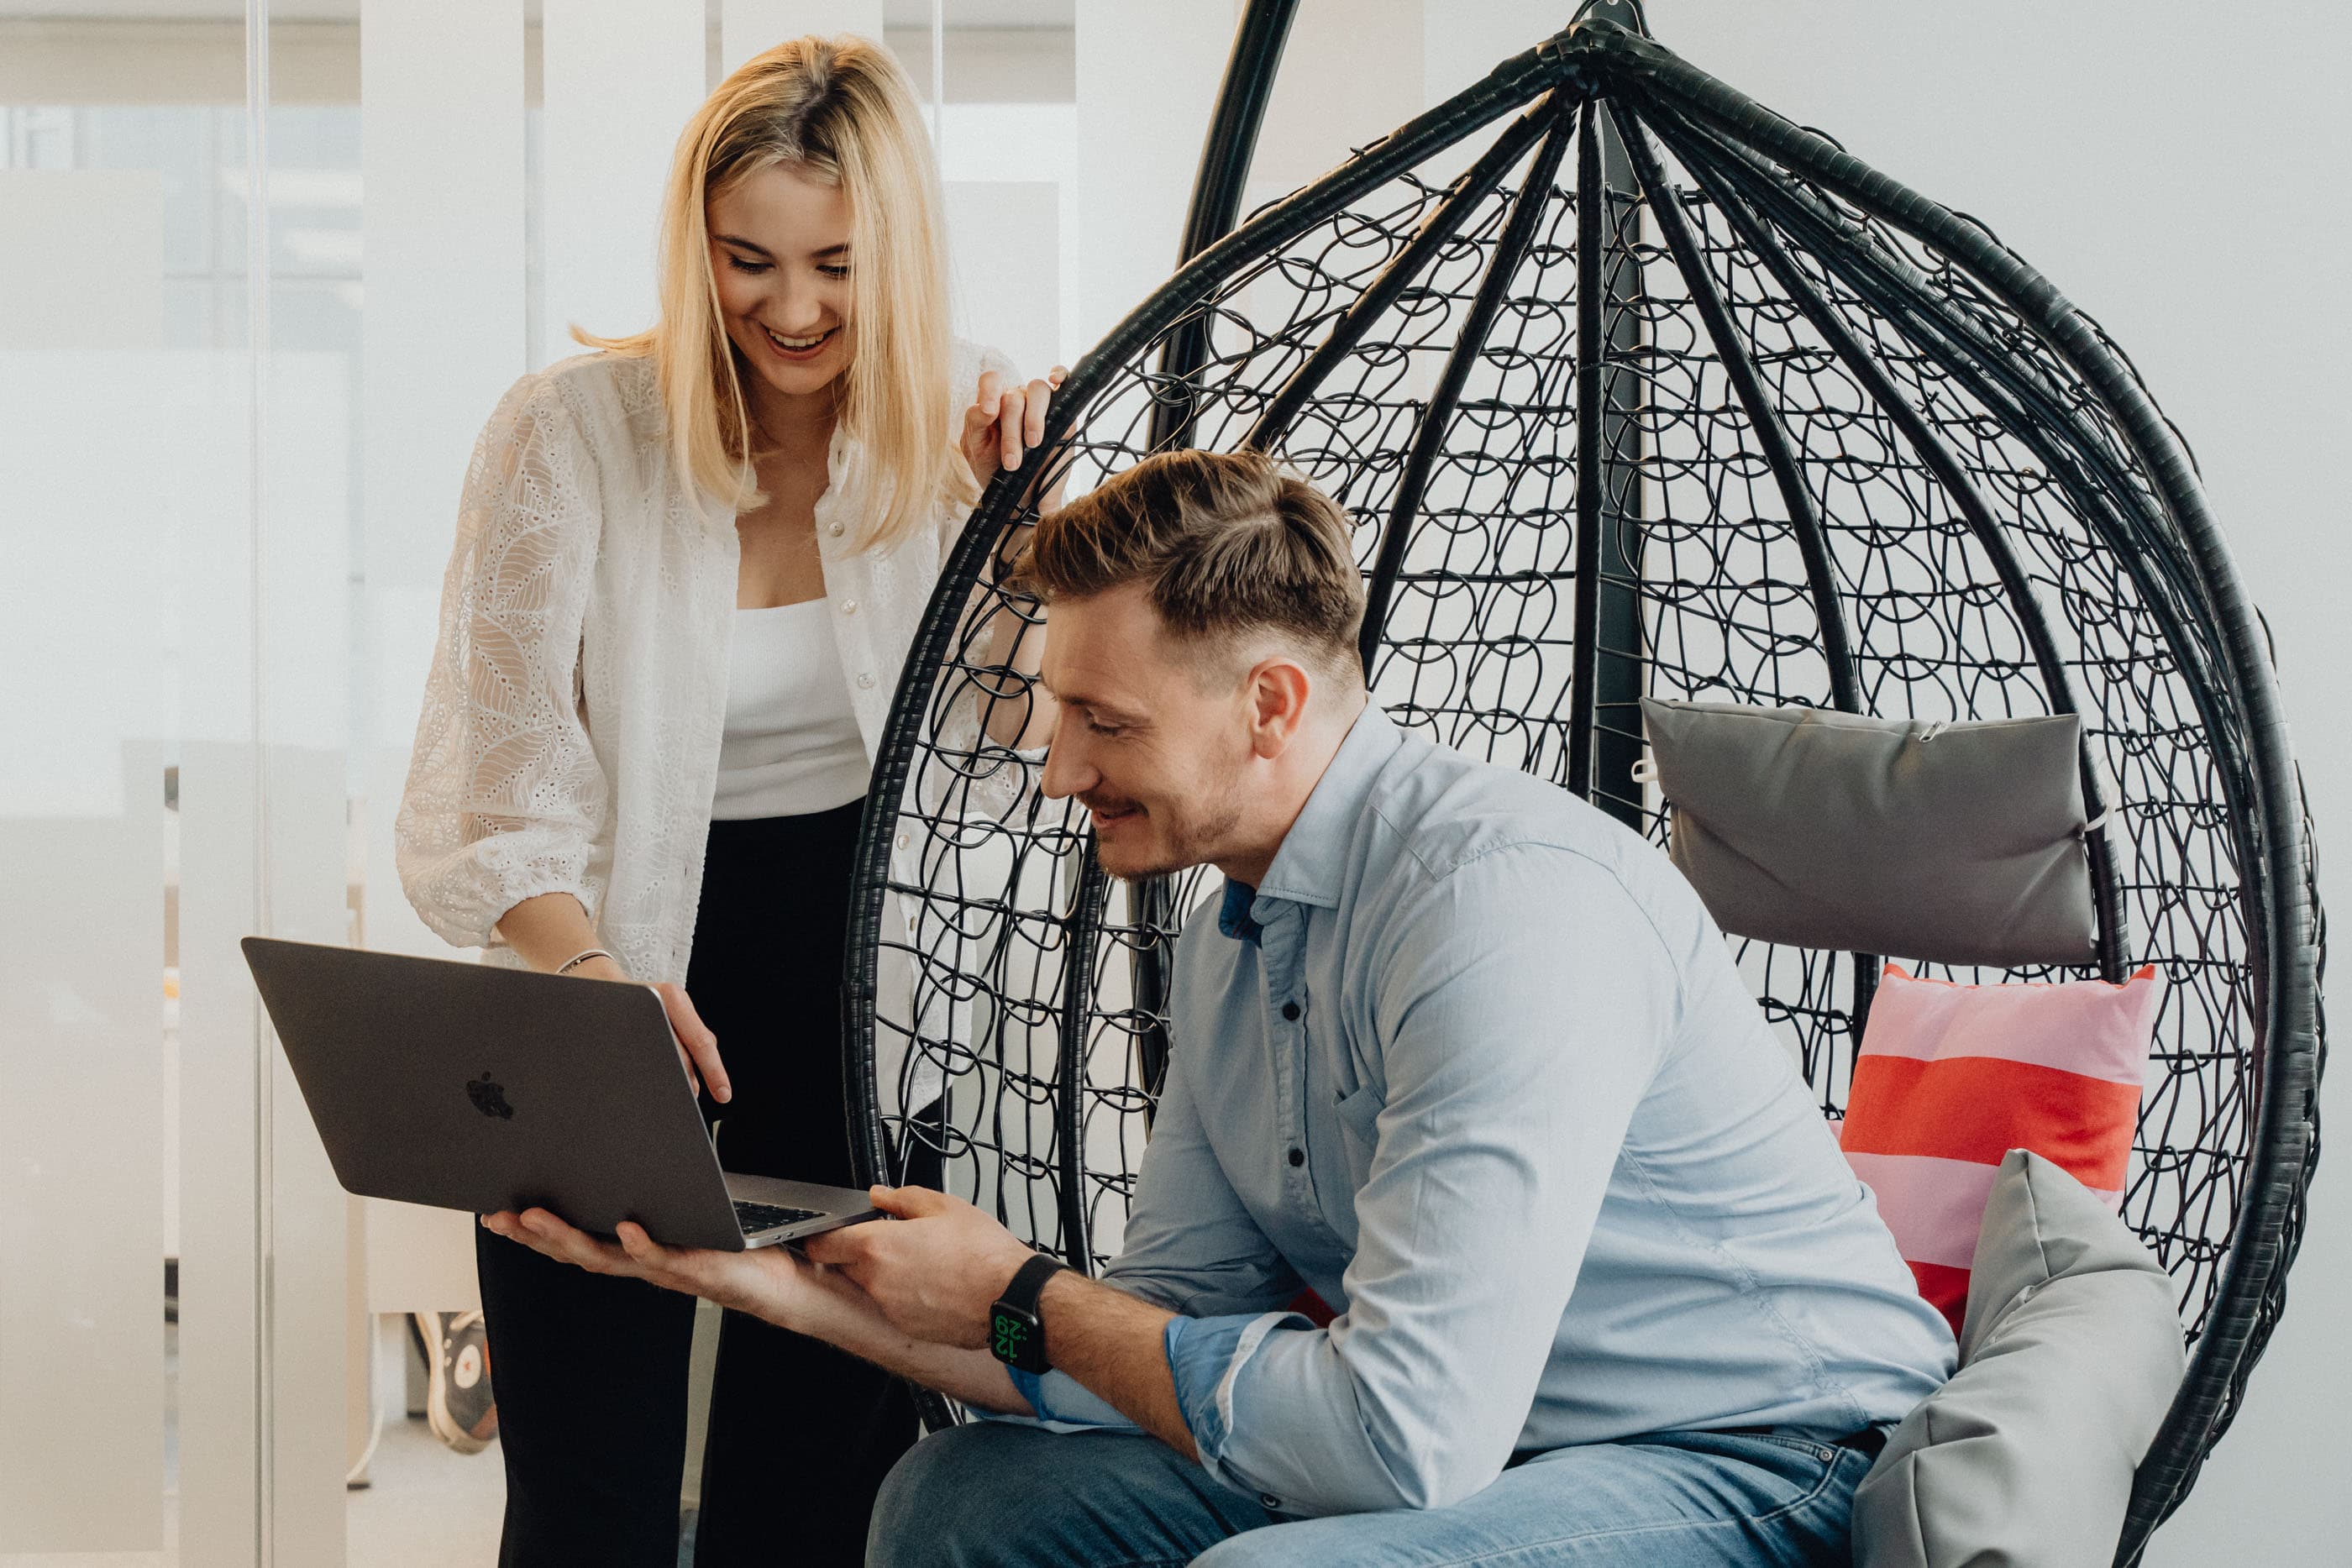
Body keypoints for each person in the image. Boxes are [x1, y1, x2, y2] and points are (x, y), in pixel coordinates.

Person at [482, 449, 1958, 1567]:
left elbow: (1394, 1441)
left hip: (1767, 1456)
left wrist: (1024, 1296)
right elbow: (1163, 1334)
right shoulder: (1234, 941)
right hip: (1500, 1443)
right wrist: (750, 1283)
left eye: (1103, 722)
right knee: (958, 1501)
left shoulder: (1498, 911)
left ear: (1268, 705)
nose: (1059, 772)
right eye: (1063, 713)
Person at [395, 34, 1058, 1567]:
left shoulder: (969, 414)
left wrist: (1021, 530)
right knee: (586, 1490)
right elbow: (498, 783)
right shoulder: (568, 434)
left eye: (835, 264)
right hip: (605, 974)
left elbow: (1034, 741)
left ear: (897, 252)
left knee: (816, 1489)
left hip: (867, 995)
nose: (795, 310)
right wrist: (599, 987)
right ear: (696, 248)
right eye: (747, 261)